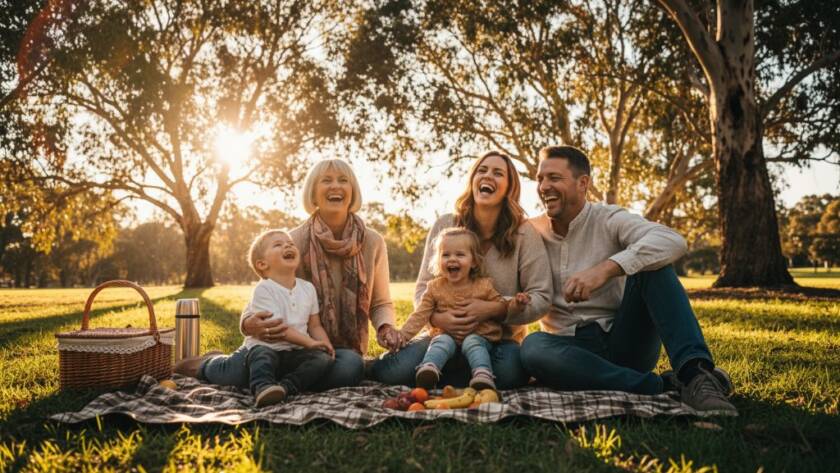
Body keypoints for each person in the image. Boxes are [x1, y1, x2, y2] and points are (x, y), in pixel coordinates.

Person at [519, 145, 736, 413]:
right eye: (540, 179)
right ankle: (662, 386)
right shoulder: (530, 231)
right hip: (570, 351)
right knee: (532, 347)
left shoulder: (609, 218)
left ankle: (695, 374)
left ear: (582, 183)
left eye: (554, 178)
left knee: (653, 265)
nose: (544, 186)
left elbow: (672, 241)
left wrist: (606, 269)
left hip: (625, 340)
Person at [175, 159, 400, 390]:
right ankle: (207, 364)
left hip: (334, 351)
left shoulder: (373, 242)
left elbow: (381, 302)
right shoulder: (293, 241)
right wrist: (247, 323)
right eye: (327, 180)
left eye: (343, 180)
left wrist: (385, 327)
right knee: (259, 364)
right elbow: (267, 290)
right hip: (286, 346)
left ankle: (281, 381)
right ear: (313, 193)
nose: (336, 186)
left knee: (351, 368)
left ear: (353, 192)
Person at [371, 151, 552, 389]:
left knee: (510, 374)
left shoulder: (524, 234)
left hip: (495, 340)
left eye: (498, 173)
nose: (488, 176)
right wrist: (438, 317)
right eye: (482, 170)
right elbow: (424, 288)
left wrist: (494, 309)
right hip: (443, 336)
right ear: (472, 179)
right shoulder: (446, 225)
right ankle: (450, 370)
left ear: (509, 188)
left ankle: (456, 372)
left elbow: (541, 297)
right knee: (392, 372)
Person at [395, 228, 531, 390]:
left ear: (473, 261)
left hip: (480, 336)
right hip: (448, 337)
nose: (452, 259)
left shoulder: (483, 286)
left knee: (473, 341)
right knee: (441, 341)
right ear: (438, 261)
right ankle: (429, 370)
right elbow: (420, 315)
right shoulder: (434, 288)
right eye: (446, 255)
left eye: (460, 255)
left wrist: (516, 304)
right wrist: (403, 335)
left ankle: (482, 374)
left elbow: (502, 307)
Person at [241, 229, 334, 406]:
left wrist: (324, 344)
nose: (288, 245)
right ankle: (263, 387)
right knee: (261, 357)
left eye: (290, 243)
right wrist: (310, 343)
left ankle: (285, 388)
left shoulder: (308, 288)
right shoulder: (264, 289)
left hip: (295, 352)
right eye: (278, 244)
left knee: (322, 359)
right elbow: (280, 329)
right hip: (268, 347)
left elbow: (315, 325)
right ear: (262, 264)